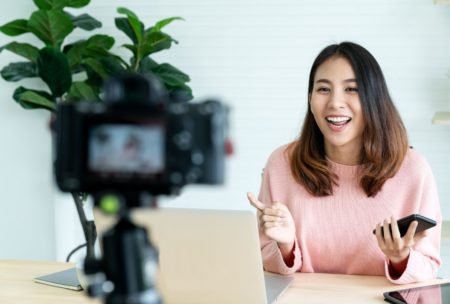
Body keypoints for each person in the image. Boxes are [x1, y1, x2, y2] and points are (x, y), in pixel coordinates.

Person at [247, 42, 441, 284]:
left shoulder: (413, 169)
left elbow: (428, 267)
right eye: (323, 89)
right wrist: (285, 246)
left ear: (374, 98)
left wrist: (400, 258)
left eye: (351, 89)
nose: (335, 103)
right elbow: (265, 264)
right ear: (310, 98)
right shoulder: (282, 164)